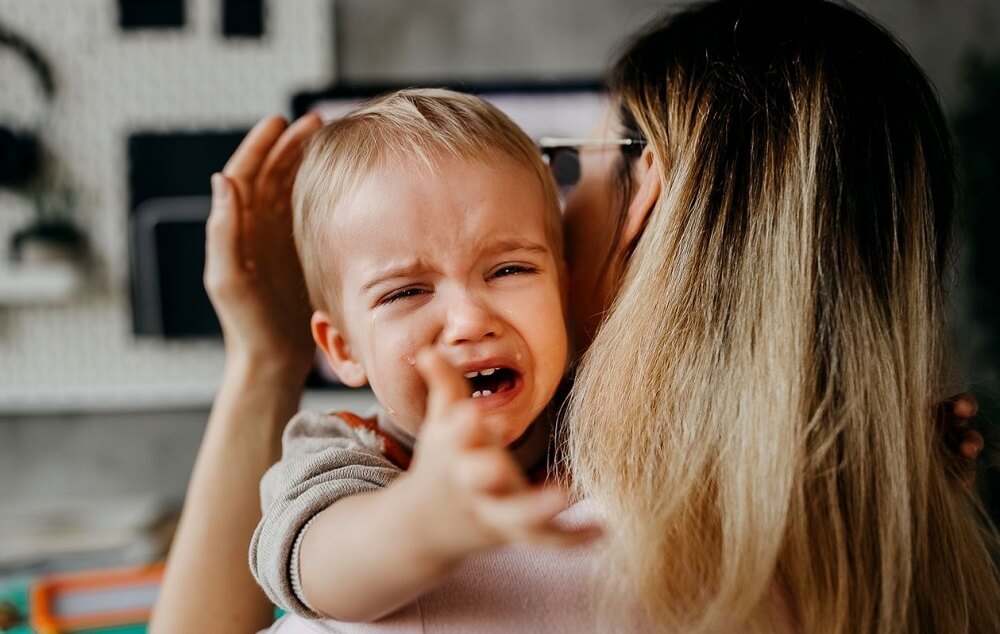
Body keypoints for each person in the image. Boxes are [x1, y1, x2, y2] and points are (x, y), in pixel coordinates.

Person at [150, 1, 993, 632]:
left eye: (566, 164)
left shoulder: (494, 559)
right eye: (408, 289)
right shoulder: (870, 542)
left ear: (645, 190)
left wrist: (264, 371)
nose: (469, 315)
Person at [249, 88, 595, 625]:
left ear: (562, 291)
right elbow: (320, 569)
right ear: (343, 349)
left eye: (509, 270)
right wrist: (421, 519)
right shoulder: (341, 451)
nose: (469, 321)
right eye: (405, 292)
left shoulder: (602, 412)